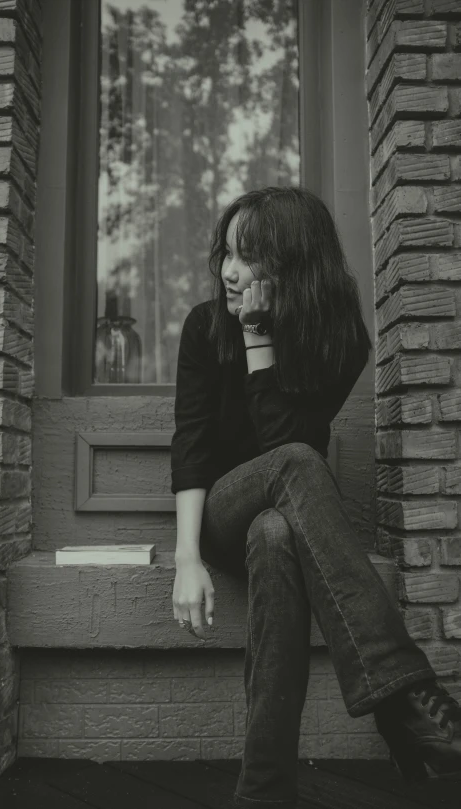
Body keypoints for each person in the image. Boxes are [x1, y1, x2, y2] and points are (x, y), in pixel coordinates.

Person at [170, 186, 461, 809]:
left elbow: (282, 444)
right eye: (226, 251)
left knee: (276, 533)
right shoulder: (203, 327)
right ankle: (403, 696)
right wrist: (187, 558)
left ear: (293, 264)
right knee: (298, 466)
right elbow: (193, 444)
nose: (228, 269)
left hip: (283, 516)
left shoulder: (340, 341)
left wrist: (261, 340)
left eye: (247, 257)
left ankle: (263, 792)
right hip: (222, 513)